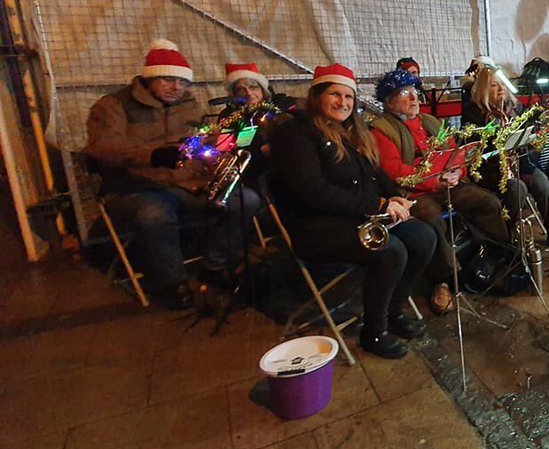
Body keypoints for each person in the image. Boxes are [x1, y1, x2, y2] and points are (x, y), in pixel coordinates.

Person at [269, 64, 436, 359]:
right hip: (318, 225)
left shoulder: (351, 130)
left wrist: (396, 195)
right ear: (317, 95)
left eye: (349, 96)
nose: (343, 102)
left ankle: (394, 310)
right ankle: (374, 330)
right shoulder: (296, 133)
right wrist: (379, 205)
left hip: (359, 216)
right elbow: (313, 192)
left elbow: (375, 174)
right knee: (391, 251)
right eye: (335, 94)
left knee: (424, 236)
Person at [85, 39, 260, 309]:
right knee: (154, 214)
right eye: (167, 79)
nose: (176, 87)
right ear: (149, 78)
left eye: (182, 82)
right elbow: (103, 146)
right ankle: (172, 282)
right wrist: (153, 154)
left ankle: (214, 265)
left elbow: (199, 140)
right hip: (137, 187)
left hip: (188, 183)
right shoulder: (114, 105)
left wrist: (219, 151)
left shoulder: (188, 105)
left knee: (244, 199)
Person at [369, 68, 510, 315]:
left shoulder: (430, 122)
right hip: (414, 194)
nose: (414, 98)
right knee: (430, 218)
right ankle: (443, 282)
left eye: (414, 92)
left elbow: (456, 153)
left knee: (487, 201)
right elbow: (395, 171)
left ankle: (496, 258)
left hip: (448, 184)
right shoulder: (381, 130)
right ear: (389, 101)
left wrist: (458, 173)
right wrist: (436, 181)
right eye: (405, 93)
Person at [461, 65, 549, 248]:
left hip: (520, 163)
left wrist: (536, 133)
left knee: (542, 183)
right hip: (491, 170)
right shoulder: (474, 113)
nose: (501, 89)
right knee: (518, 189)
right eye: (495, 85)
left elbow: (531, 135)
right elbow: (474, 150)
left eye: (503, 84)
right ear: (484, 89)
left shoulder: (515, 108)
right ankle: (506, 237)